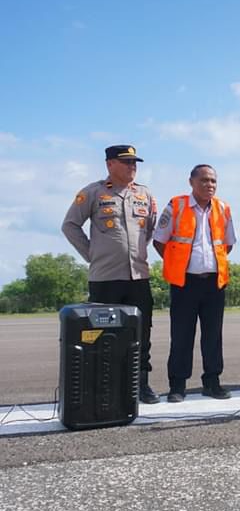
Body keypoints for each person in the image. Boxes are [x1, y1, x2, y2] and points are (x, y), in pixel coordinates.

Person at [62, 144, 159, 403]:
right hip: (105, 279)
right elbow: (70, 226)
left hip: (138, 277)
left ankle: (141, 384)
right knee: (103, 334)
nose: (132, 167)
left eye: (134, 162)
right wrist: (92, 254)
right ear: (109, 164)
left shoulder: (145, 195)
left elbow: (149, 229)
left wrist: (135, 251)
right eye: (126, 162)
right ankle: (105, 385)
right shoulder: (92, 193)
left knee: (141, 333)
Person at [153, 164, 236, 402]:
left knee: (213, 335)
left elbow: (227, 244)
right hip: (184, 283)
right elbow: (160, 240)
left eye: (213, 181)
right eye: (204, 180)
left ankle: (212, 382)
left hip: (214, 282)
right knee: (181, 335)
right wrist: (177, 263)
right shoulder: (176, 205)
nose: (209, 185)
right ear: (191, 182)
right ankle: (177, 386)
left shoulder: (223, 208)